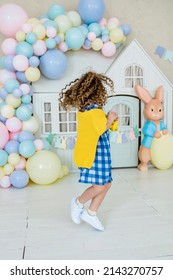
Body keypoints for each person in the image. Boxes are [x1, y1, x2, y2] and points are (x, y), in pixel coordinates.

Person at [59, 71, 118, 231]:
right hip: (96, 155)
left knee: (107, 184)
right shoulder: (94, 112)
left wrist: (109, 120)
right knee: (99, 186)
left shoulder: (87, 111)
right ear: (98, 92)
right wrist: (110, 118)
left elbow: (99, 128)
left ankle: (91, 213)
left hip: (100, 153)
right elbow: (100, 129)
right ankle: (78, 202)